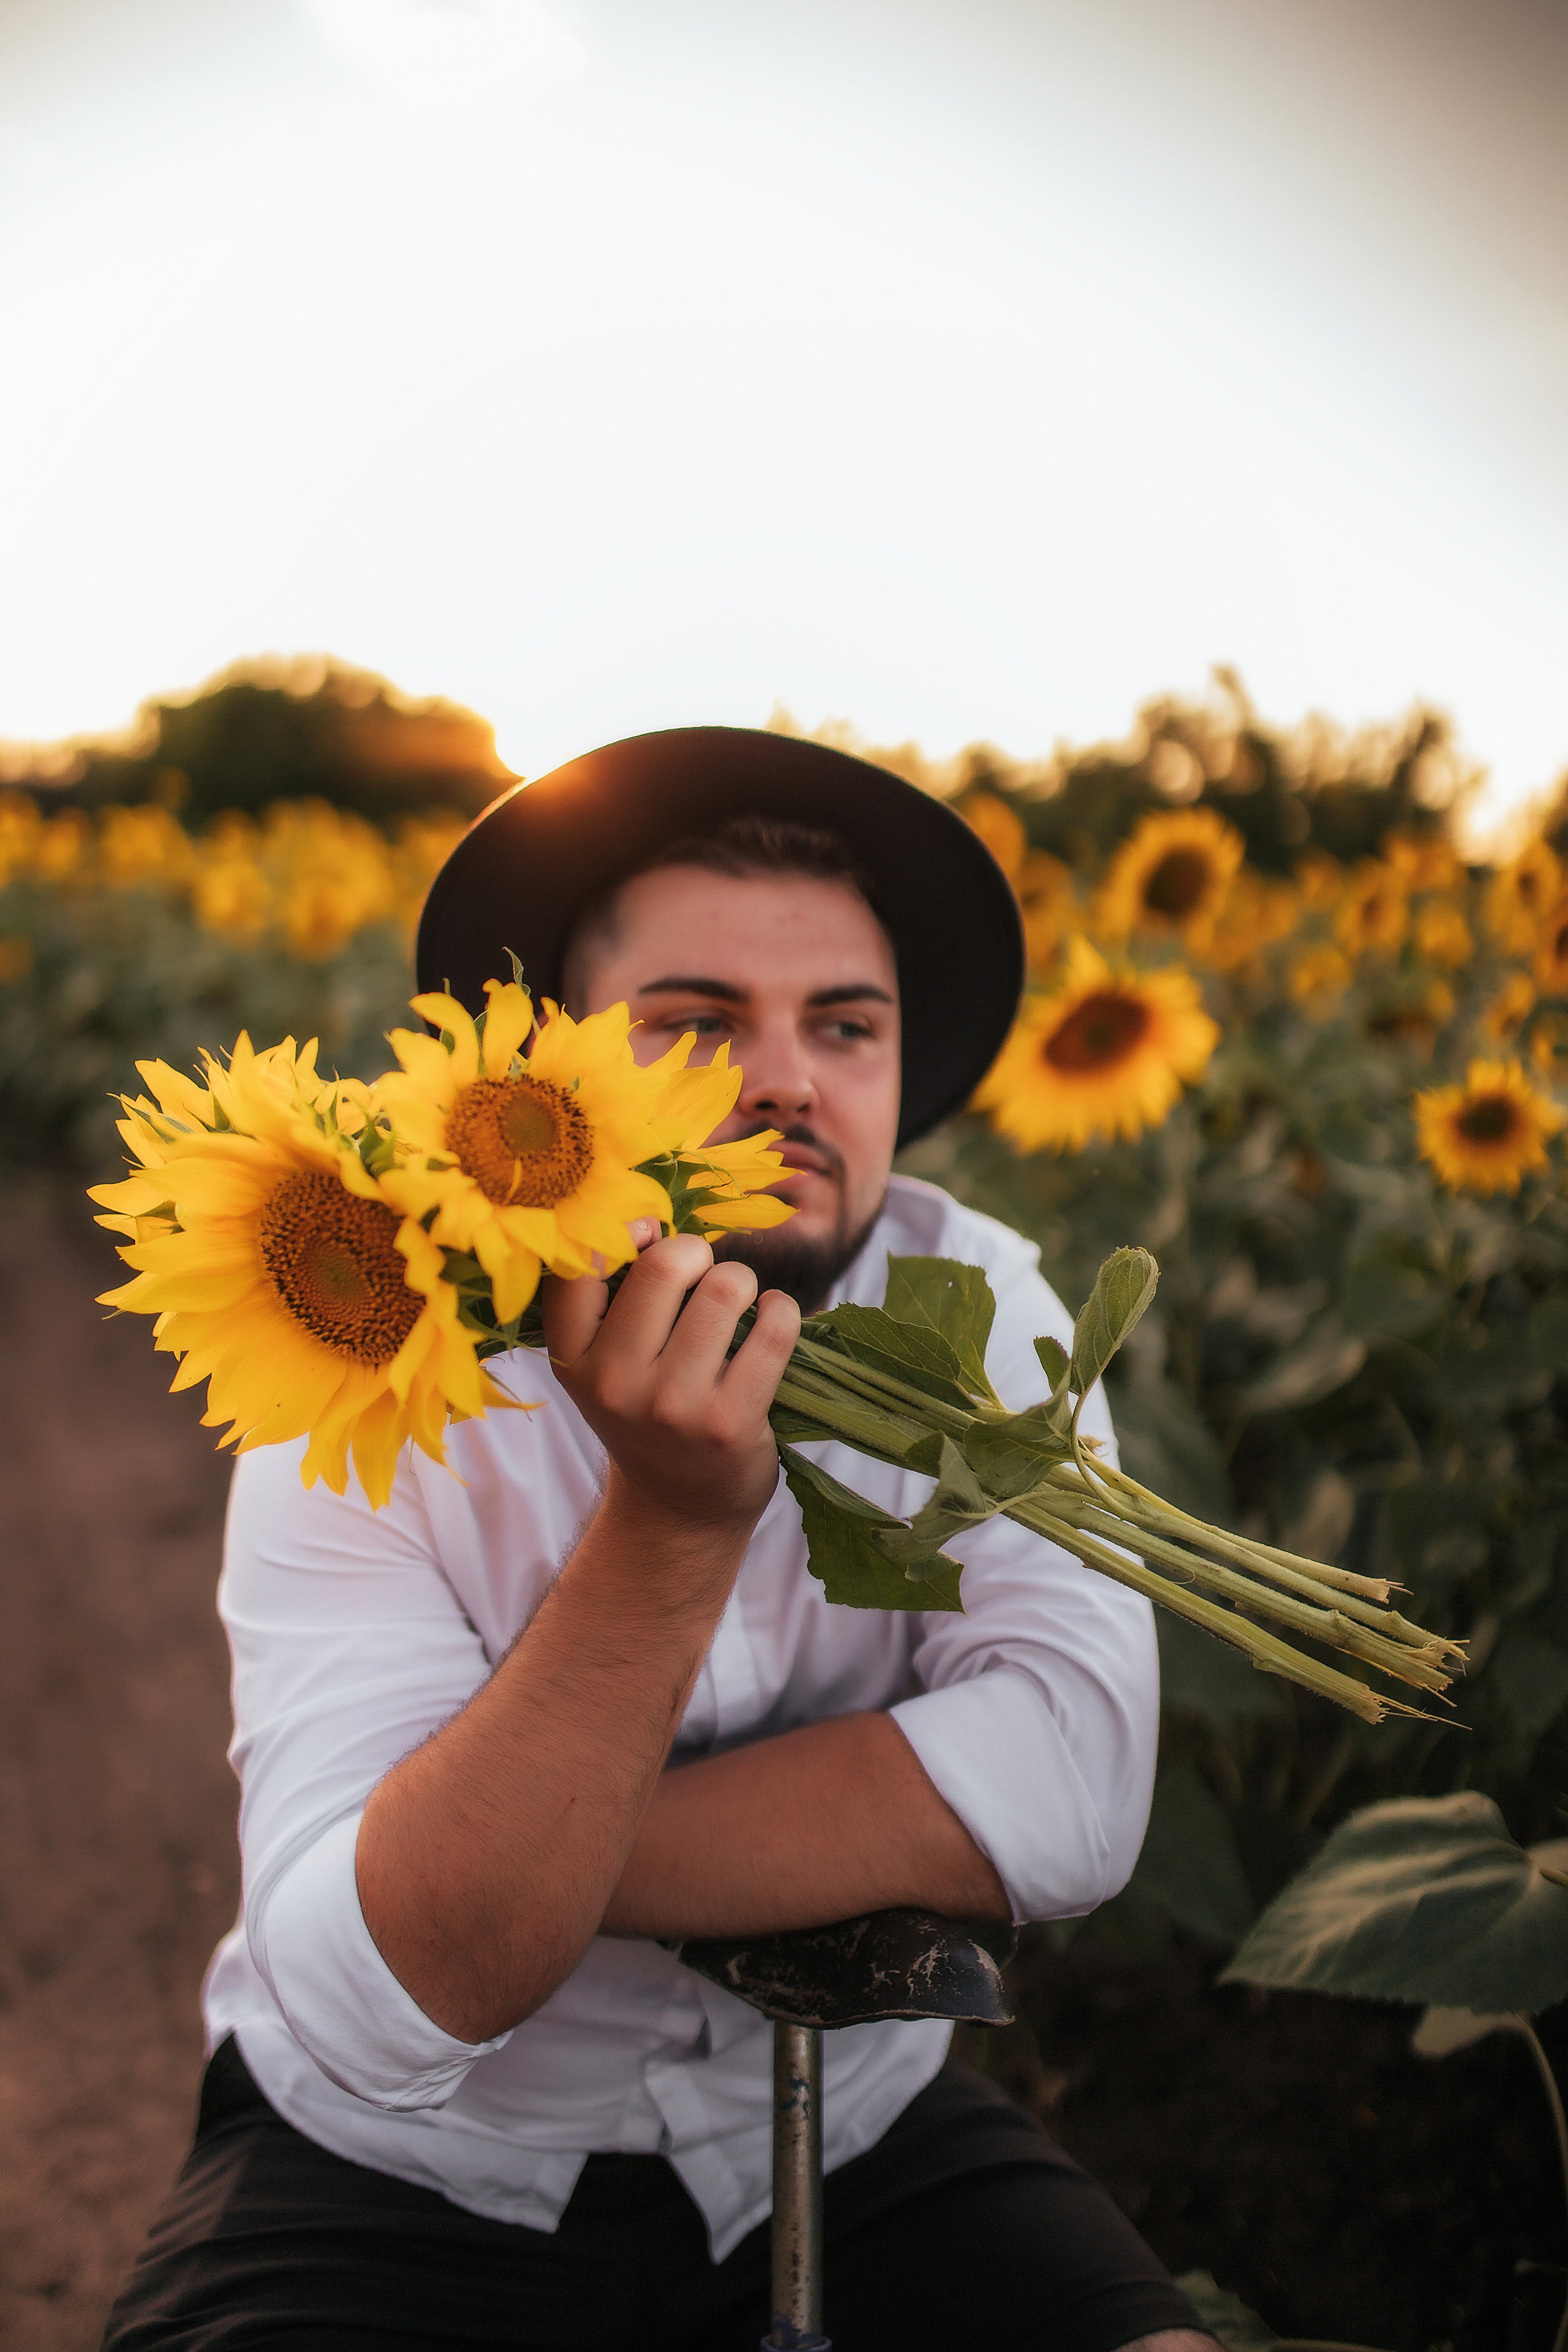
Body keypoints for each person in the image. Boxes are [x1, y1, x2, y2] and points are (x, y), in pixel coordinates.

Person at [104, 728, 1212, 2351]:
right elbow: (372, 2013)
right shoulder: (373, 1370)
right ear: (551, 1081)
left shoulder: (981, 1307)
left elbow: (1073, 1788)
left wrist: (513, 1865)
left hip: (852, 2132)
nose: (790, 1078)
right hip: (411, 2171)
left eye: (847, 1024)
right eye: (695, 1026)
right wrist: (671, 1530)